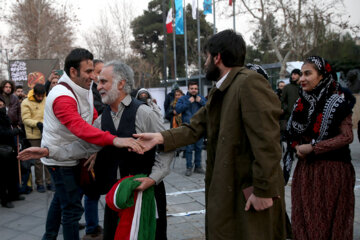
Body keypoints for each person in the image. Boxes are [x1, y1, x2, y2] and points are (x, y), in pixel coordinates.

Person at [135, 30, 287, 239]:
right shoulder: (221, 90)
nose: (204, 63)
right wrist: (160, 138)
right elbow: (195, 127)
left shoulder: (249, 83)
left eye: (206, 57)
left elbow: (267, 142)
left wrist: (263, 190)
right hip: (229, 190)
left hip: (248, 191)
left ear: (217, 57)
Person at [20, 60, 173, 240]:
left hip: (146, 195)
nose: (97, 86)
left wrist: (152, 179)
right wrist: (48, 151)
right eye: (98, 82)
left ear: (121, 83)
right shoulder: (102, 119)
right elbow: (84, 146)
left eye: (103, 82)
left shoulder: (144, 113)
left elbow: (168, 147)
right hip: (115, 196)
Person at [283, 56, 355, 239]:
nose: (302, 79)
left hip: (332, 172)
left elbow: (347, 137)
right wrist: (297, 146)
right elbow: (292, 133)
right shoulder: (301, 103)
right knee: (303, 222)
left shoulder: (338, 102)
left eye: (308, 73)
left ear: (322, 76)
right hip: (306, 172)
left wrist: (314, 147)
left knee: (326, 224)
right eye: (301, 74)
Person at [21, 83, 51, 193]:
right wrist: (37, 123)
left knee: (48, 157)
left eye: (42, 96)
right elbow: (25, 119)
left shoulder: (46, 99)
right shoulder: (26, 102)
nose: (40, 98)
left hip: (46, 132)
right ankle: (39, 183)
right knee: (38, 160)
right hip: (34, 134)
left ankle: (49, 182)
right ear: (34, 94)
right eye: (38, 96)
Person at [175, 81, 206, 176]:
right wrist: (188, 103)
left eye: (195, 88)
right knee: (189, 149)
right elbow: (178, 109)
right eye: (192, 88)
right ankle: (189, 167)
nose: (194, 90)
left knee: (199, 148)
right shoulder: (183, 99)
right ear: (188, 89)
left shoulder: (201, 98)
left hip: (199, 127)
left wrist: (201, 101)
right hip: (188, 127)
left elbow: (209, 107)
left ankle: (198, 166)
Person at [0, 96, 25, 208]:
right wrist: (15, 131)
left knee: (13, 173)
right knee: (3, 177)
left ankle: (14, 194)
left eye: (2, 105)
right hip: (2, 150)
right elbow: (2, 133)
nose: (1, 107)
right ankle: (5, 199)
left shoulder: (5, 116)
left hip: (10, 148)